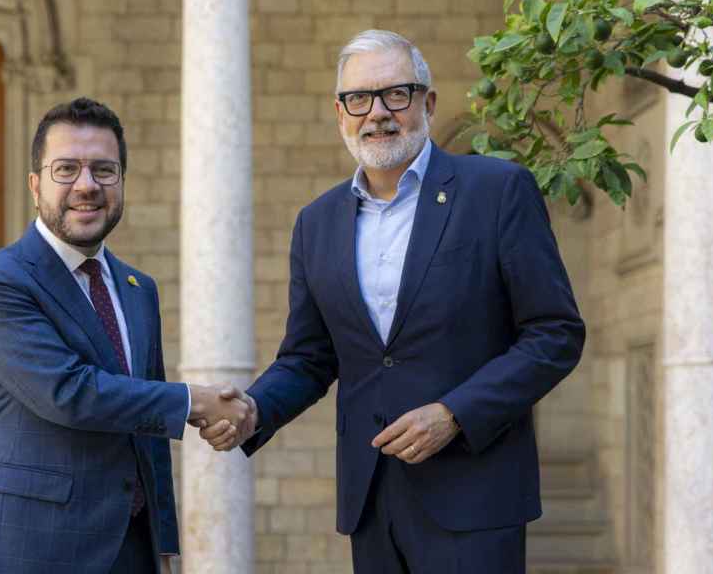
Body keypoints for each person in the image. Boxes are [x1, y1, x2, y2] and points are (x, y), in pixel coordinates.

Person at [203, 30, 585, 573]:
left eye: (396, 94)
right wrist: (255, 410)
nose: (377, 113)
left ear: (428, 103)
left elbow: (555, 333)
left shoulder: (497, 191)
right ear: (340, 114)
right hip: (372, 500)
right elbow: (309, 358)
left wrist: (456, 413)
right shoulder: (316, 223)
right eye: (359, 98)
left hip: (475, 495)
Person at [0, 97, 252, 574]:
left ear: (121, 182)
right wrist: (195, 401)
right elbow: (69, 393)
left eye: (104, 170)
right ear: (35, 185)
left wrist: (164, 543)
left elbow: (148, 435)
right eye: (66, 169)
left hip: (131, 550)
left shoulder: (138, 289)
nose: (86, 186)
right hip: (29, 550)